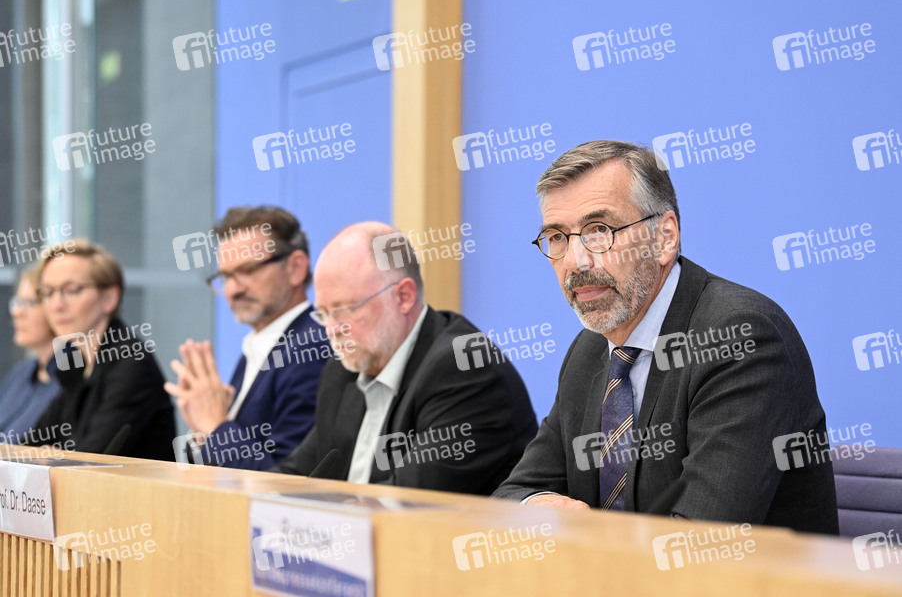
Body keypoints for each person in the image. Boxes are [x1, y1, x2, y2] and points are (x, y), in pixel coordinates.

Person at [493, 140, 839, 534]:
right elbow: (513, 493)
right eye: (557, 237)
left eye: (599, 230)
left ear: (664, 238)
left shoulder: (741, 339)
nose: (576, 261)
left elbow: (700, 540)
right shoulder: (590, 350)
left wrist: (584, 535)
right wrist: (539, 506)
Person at [271, 222, 538, 496]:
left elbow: (408, 500)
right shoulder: (342, 371)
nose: (332, 329)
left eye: (344, 310)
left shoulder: (464, 370)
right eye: (324, 313)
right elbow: (297, 473)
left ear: (403, 297)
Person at [165, 206, 329, 470]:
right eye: (226, 276)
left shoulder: (311, 349)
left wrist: (215, 425)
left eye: (248, 270)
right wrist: (202, 430)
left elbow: (285, 477)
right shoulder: (259, 344)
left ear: (295, 268)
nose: (233, 289)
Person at [27, 239, 176, 459]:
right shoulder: (74, 362)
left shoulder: (132, 364)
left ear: (109, 298)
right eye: (47, 293)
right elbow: (29, 445)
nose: (56, 305)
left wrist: (52, 457)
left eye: (72, 290)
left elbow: (92, 460)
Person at [0, 266, 61, 443]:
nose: (17, 312)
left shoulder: (74, 377)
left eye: (28, 303)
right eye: (17, 302)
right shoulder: (20, 373)